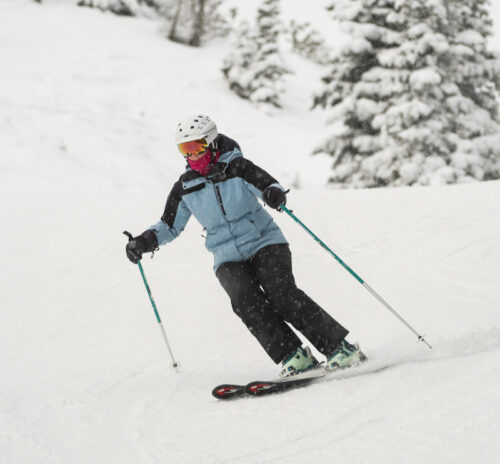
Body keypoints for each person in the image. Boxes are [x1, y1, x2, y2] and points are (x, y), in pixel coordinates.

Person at [125, 114, 366, 377]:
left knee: (281, 293)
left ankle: (340, 348)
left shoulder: (237, 167)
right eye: (185, 150)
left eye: (197, 147)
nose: (192, 156)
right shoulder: (184, 188)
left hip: (264, 241)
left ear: (212, 142)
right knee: (245, 302)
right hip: (226, 255)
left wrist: (274, 194)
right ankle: (293, 356)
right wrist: (144, 241)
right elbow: (169, 226)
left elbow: (267, 184)